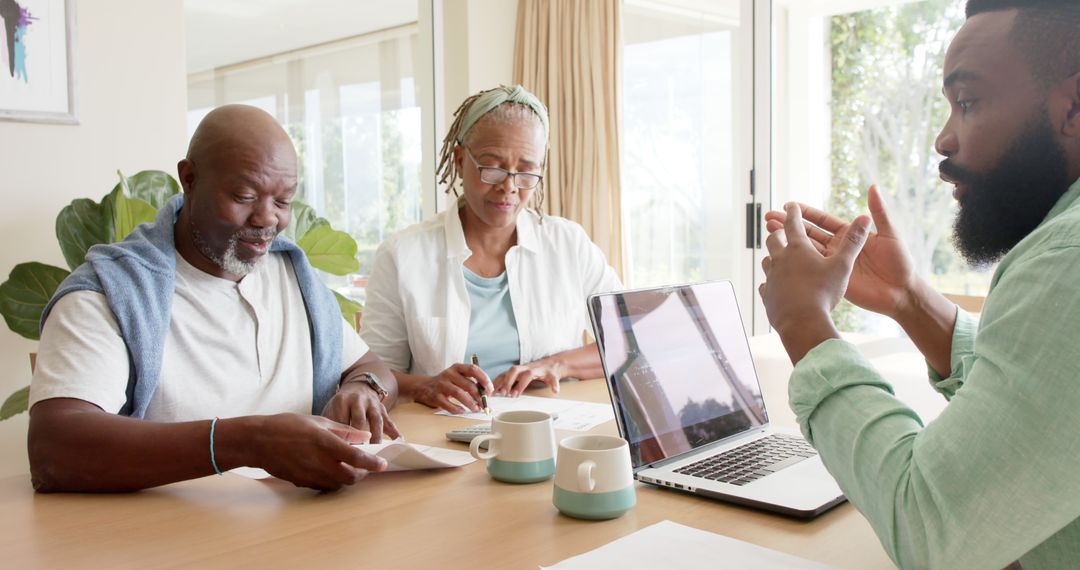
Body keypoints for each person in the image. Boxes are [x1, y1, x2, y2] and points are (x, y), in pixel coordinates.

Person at [758, 0, 1080, 567]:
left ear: (1074, 105)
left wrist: (803, 323)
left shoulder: (1067, 258)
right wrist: (910, 301)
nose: (943, 140)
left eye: (968, 103)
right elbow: (1037, 410)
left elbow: (933, 532)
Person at [27, 105, 401, 493]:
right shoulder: (110, 294)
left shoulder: (292, 276)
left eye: (283, 201)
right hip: (166, 541)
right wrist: (247, 443)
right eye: (244, 195)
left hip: (302, 530)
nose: (268, 218)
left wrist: (363, 389)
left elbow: (370, 366)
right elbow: (53, 448)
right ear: (188, 179)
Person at [360, 85, 622, 413]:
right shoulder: (402, 255)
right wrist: (426, 385)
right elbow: (370, 375)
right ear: (459, 160)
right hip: (446, 436)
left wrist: (556, 365)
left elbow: (626, 339)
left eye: (526, 171)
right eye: (493, 167)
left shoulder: (569, 244)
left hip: (553, 429)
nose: (508, 187)